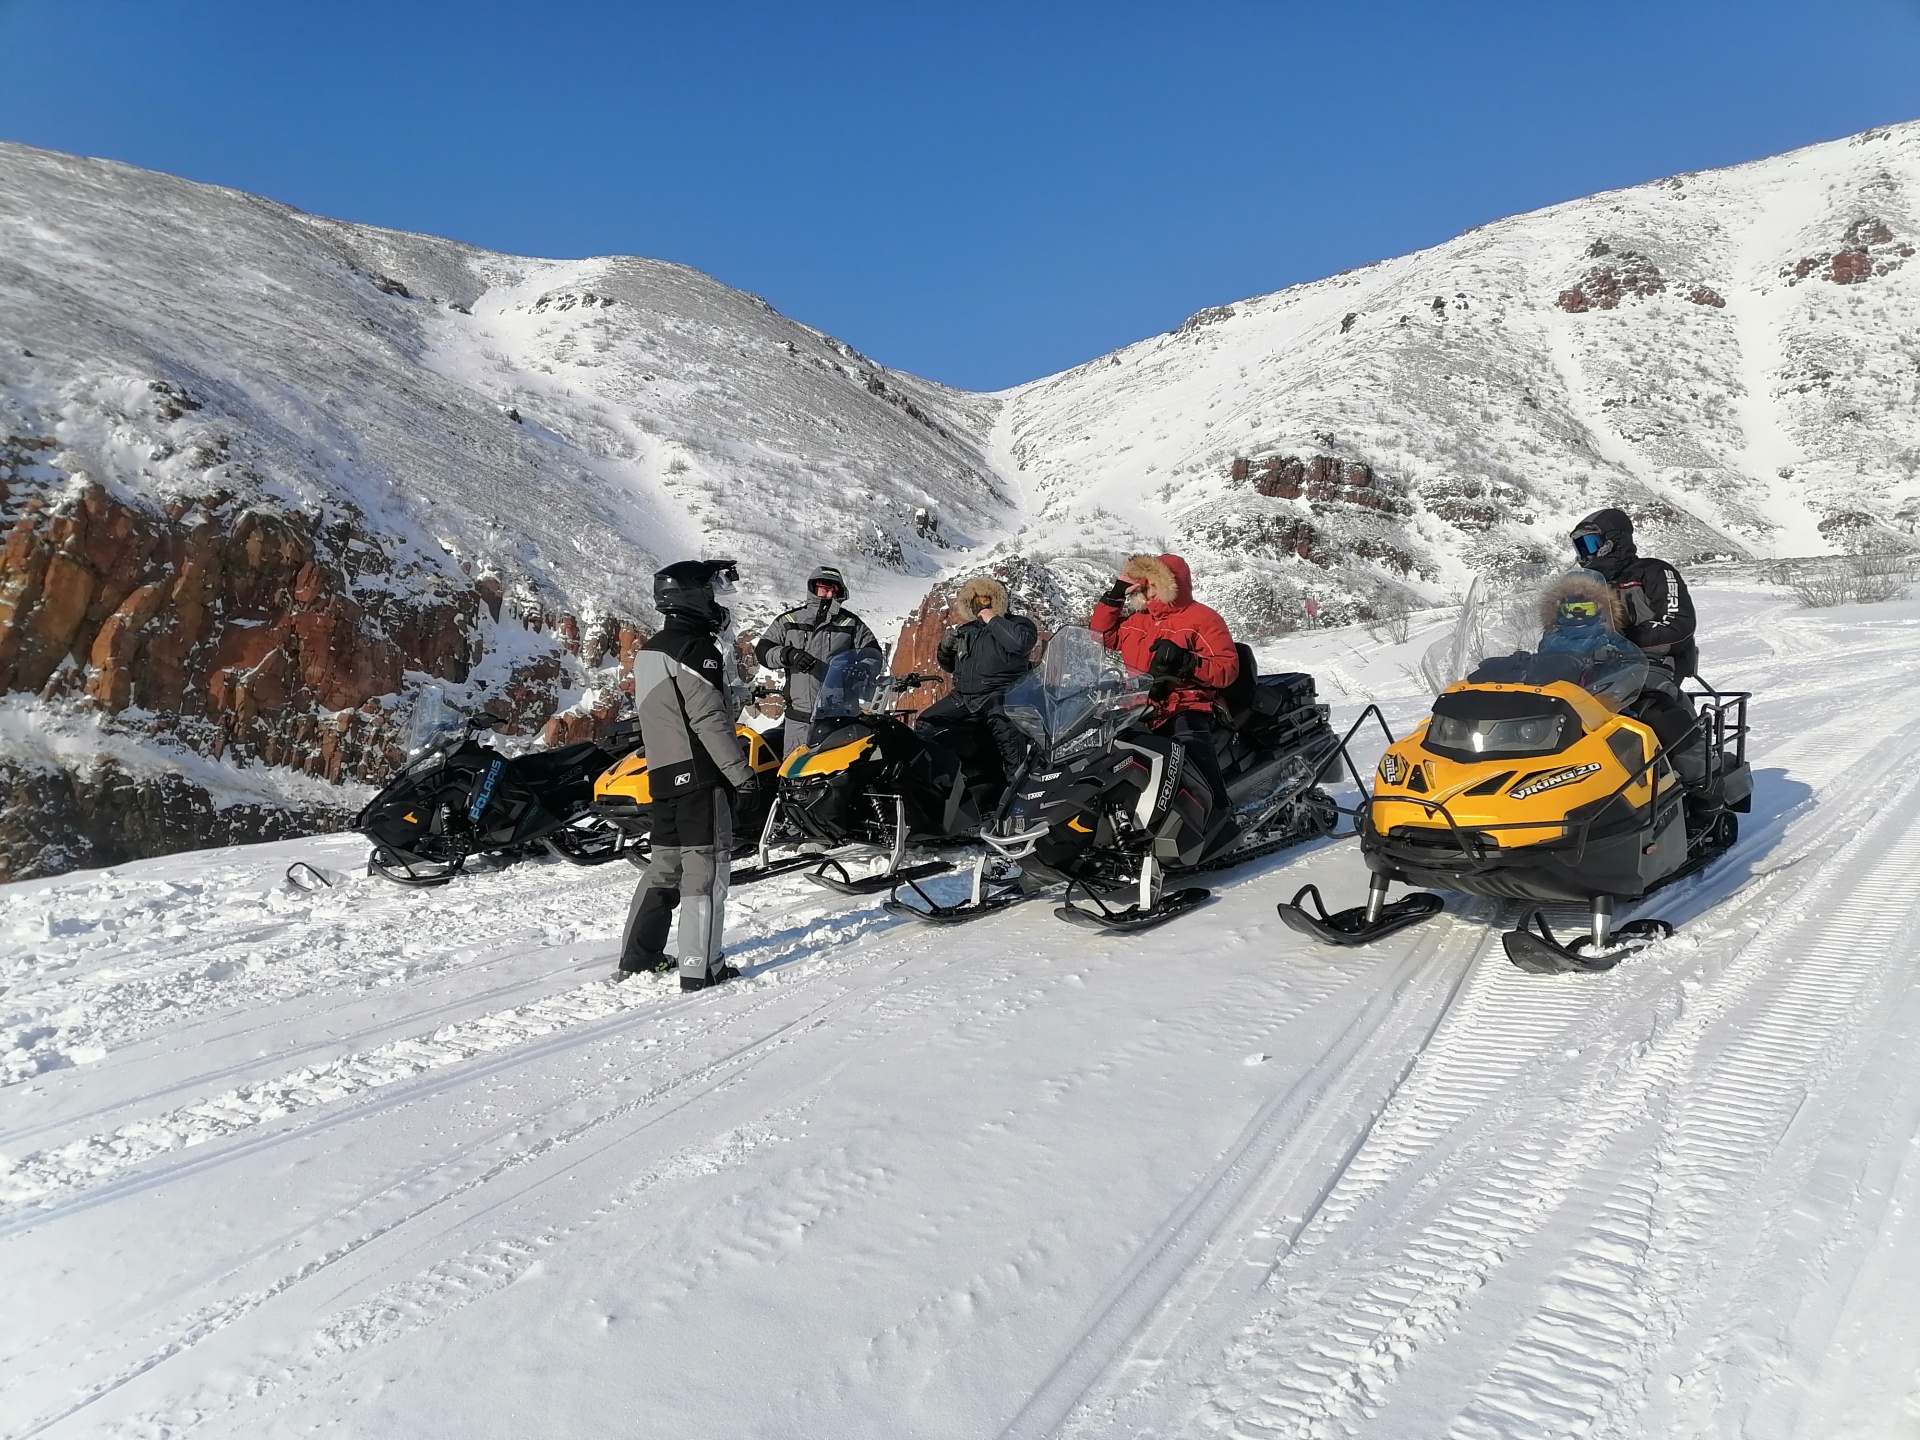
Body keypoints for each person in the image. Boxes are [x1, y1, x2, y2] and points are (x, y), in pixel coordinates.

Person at [619, 559, 757, 991]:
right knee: (706, 871)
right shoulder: (698, 650)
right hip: (700, 777)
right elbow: (709, 720)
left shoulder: (650, 650)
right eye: (712, 593)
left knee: (663, 869)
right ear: (695, 597)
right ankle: (702, 967)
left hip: (662, 774)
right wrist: (742, 776)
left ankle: (638, 956)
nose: (716, 602)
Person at [1089, 553, 1239, 829]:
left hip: (1185, 705)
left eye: (1151, 582)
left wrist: (1188, 662)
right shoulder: (1138, 620)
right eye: (1143, 582)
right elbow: (1101, 636)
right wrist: (1115, 595)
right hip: (1137, 707)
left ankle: (1219, 817)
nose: (1146, 587)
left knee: (1188, 745)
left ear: (1169, 583)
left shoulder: (1201, 618)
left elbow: (1227, 670)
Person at [1533, 571, 1707, 788]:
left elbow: (1633, 661)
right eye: (1570, 609)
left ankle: (1698, 780)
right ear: (1559, 610)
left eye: (1585, 608)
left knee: (1661, 715)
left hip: (1606, 700)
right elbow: (1541, 665)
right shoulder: (1550, 640)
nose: (1577, 615)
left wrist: (1614, 659)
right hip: (1560, 704)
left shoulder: (1611, 637)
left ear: (1599, 609)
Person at [914, 576, 1038, 812]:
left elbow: (1020, 644)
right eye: (976, 600)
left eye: (986, 600)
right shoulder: (966, 630)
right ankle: (935, 791)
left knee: (1007, 734)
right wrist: (945, 647)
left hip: (1002, 693)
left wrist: (993, 620)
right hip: (963, 696)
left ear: (997, 601)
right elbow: (949, 665)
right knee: (926, 723)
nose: (981, 605)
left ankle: (1018, 803)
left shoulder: (1019, 624)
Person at [754, 565, 880, 755]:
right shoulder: (789, 621)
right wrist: (789, 655)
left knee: (839, 774)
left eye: (833, 590)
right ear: (813, 588)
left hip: (839, 718)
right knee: (794, 775)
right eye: (824, 588)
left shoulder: (851, 623)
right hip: (799, 719)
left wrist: (864, 667)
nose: (828, 594)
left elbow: (873, 652)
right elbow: (763, 651)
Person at [1569, 508, 1697, 678]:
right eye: (1581, 548)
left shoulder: (1654, 571)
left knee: (1648, 700)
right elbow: (1561, 626)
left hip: (1653, 664)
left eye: (1590, 545)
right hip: (1595, 667)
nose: (1586, 554)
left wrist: (1626, 640)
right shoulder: (1584, 584)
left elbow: (1678, 623)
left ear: (1613, 541)